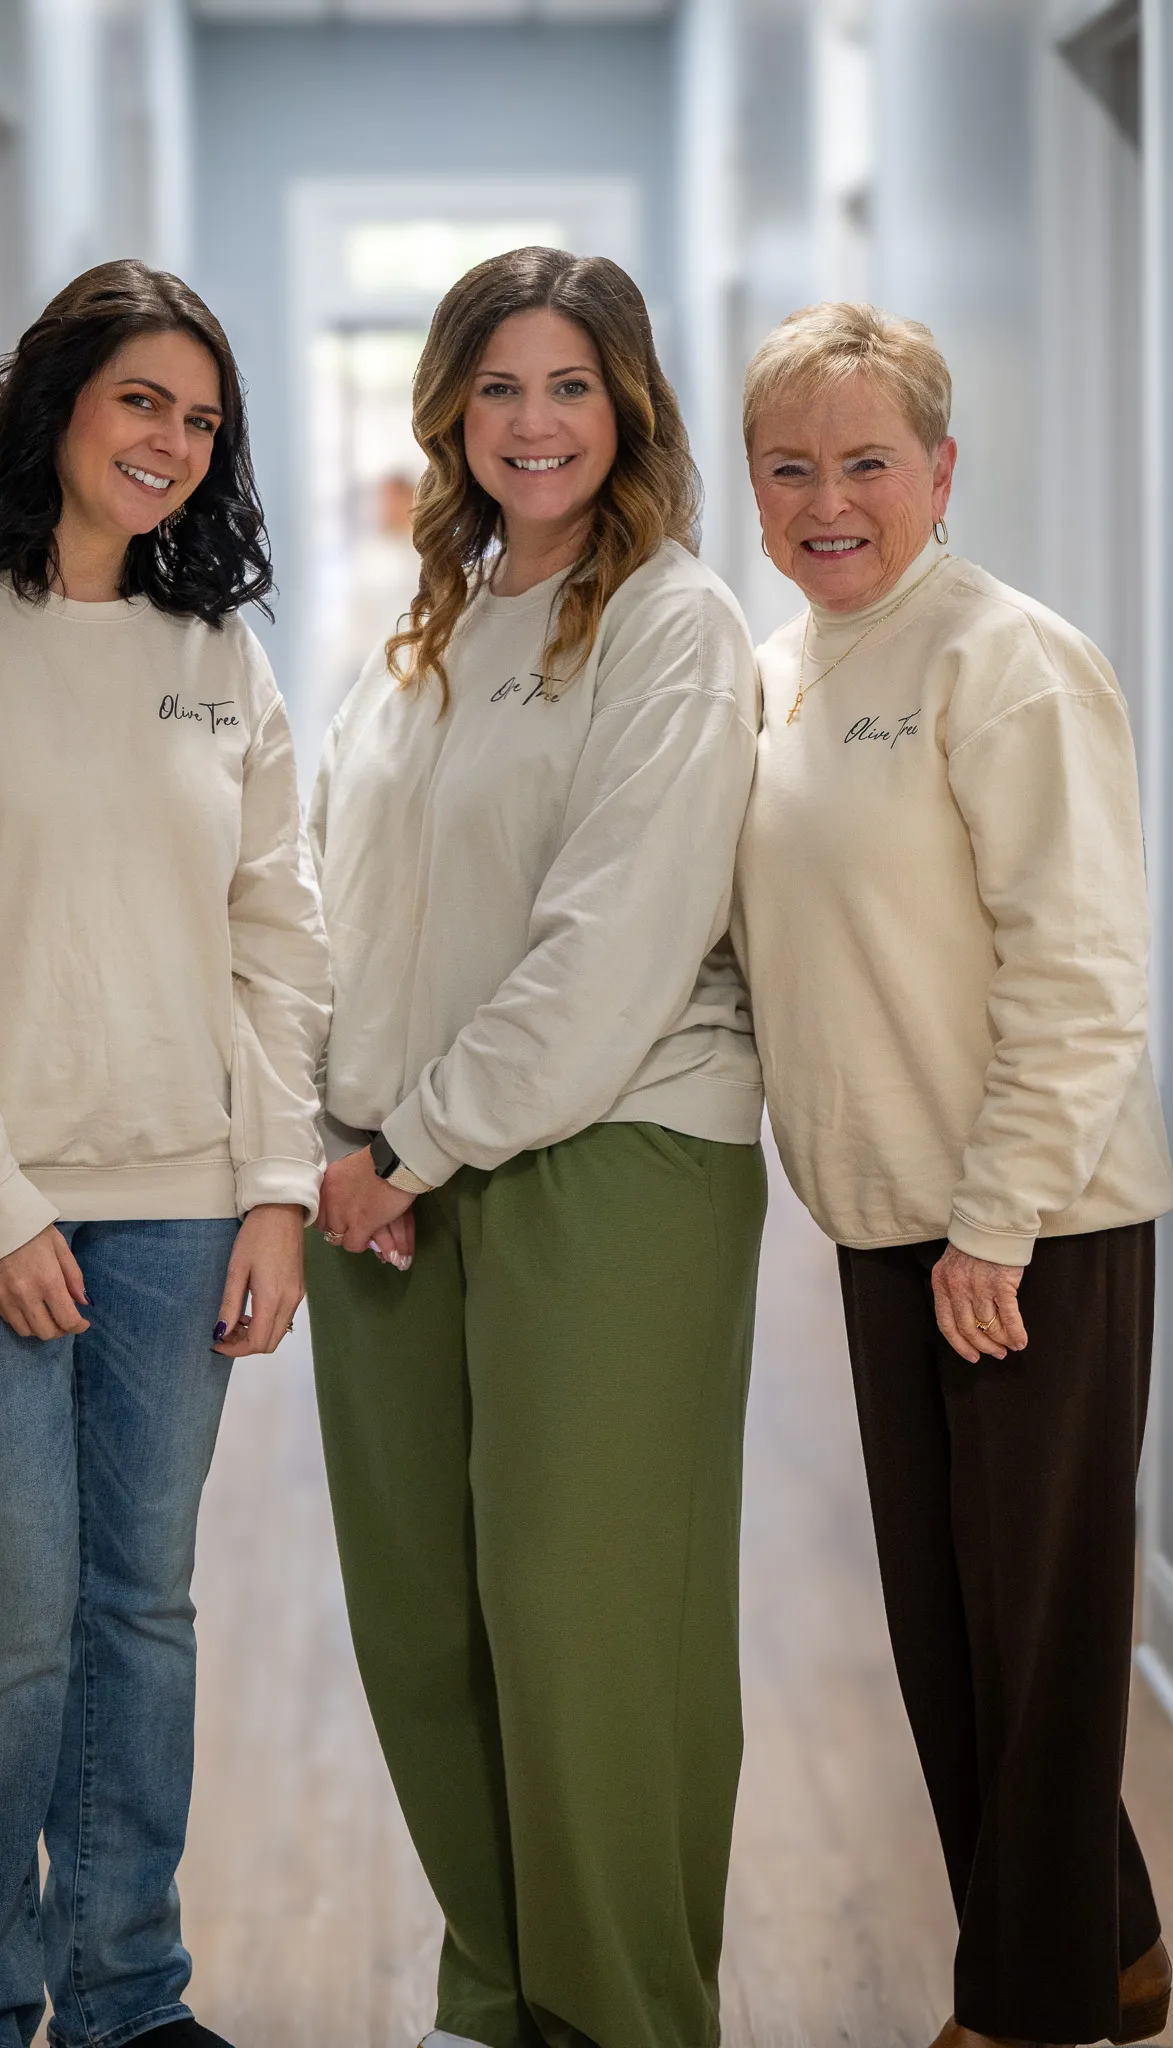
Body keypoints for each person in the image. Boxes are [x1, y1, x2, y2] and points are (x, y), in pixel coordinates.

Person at [0, 260, 329, 2048]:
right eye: (140, 403)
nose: (172, 444)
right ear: (57, 403)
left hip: (183, 1202)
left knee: (143, 1610)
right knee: (15, 1613)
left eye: (201, 419)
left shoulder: (216, 658)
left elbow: (281, 940)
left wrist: (275, 1186)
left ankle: (126, 1993)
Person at [304, 244, 765, 2048]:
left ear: (628, 402)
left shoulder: (674, 622)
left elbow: (615, 943)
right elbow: (339, 894)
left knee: (586, 1627)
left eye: (569, 384)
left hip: (612, 1153)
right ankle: (497, 1990)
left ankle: (629, 2012)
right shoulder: (425, 624)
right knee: (426, 1618)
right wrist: (351, 1140)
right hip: (398, 1169)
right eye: (499, 386)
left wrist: (410, 1143)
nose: (534, 420)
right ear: (453, 414)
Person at [732, 299, 1173, 2048]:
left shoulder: (1010, 660)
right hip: (885, 1225)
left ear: (940, 470)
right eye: (790, 467)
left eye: (866, 463)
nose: (827, 499)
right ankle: (1123, 1949)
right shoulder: (777, 673)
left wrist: (993, 1225)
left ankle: (1027, 2010)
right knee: (952, 1639)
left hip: (1035, 1229)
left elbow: (1082, 973)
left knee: (1045, 1649)